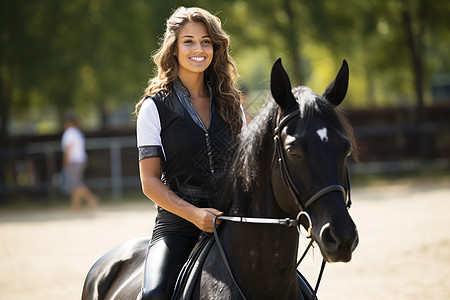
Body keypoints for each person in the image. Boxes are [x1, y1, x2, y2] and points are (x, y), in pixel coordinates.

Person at [135, 6, 246, 300]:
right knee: (154, 294)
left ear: (215, 47)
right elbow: (150, 181)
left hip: (233, 221)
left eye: (206, 41)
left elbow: (248, 169)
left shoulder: (232, 104)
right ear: (174, 48)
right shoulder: (153, 108)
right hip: (177, 226)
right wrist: (195, 215)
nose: (199, 48)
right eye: (189, 41)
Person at [61, 111, 98, 211]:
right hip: (81, 159)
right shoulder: (77, 132)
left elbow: (68, 150)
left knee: (75, 184)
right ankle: (76, 206)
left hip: (74, 161)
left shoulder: (69, 133)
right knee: (75, 183)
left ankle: (91, 199)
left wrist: (65, 163)